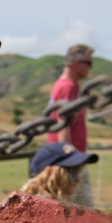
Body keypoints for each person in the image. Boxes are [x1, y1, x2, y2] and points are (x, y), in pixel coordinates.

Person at [46, 44, 95, 208]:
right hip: (71, 160)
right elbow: (63, 126)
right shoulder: (68, 87)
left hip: (70, 158)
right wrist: (68, 162)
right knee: (84, 212)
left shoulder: (67, 86)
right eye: (88, 63)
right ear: (76, 63)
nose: (91, 68)